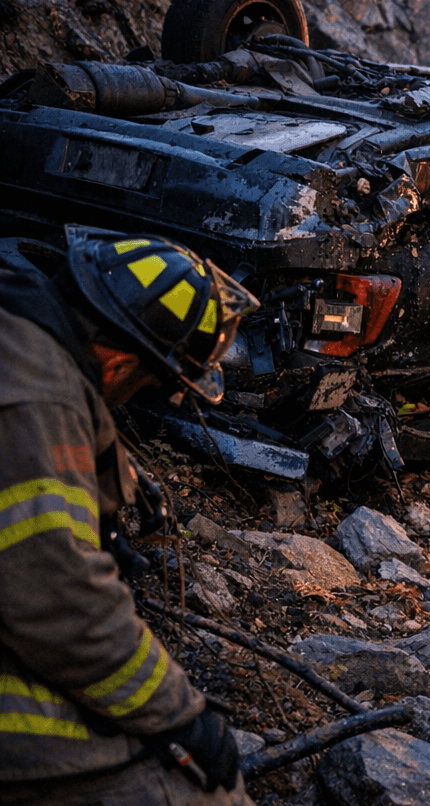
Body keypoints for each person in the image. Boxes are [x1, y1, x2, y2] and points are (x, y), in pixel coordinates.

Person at [0, 227, 259, 805]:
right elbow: (58, 597)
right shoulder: (38, 399)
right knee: (196, 791)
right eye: (150, 385)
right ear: (118, 363)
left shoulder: (20, 333)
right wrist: (179, 716)